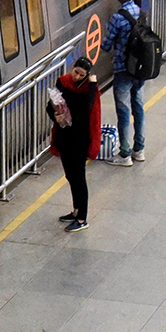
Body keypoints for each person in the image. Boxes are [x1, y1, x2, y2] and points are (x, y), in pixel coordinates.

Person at [50, 56, 100, 232]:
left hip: (80, 139)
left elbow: (88, 108)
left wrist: (92, 85)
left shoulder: (89, 89)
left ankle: (82, 218)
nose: (76, 76)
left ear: (87, 76)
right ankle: (76, 210)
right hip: (64, 135)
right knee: (70, 176)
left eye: (81, 75)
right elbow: (51, 105)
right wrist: (55, 117)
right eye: (76, 72)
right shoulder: (63, 82)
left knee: (79, 178)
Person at [103, 0, 145, 166]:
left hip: (122, 69)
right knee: (139, 108)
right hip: (139, 69)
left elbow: (106, 45)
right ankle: (139, 150)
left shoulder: (117, 18)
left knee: (123, 111)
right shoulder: (140, 12)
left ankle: (125, 154)